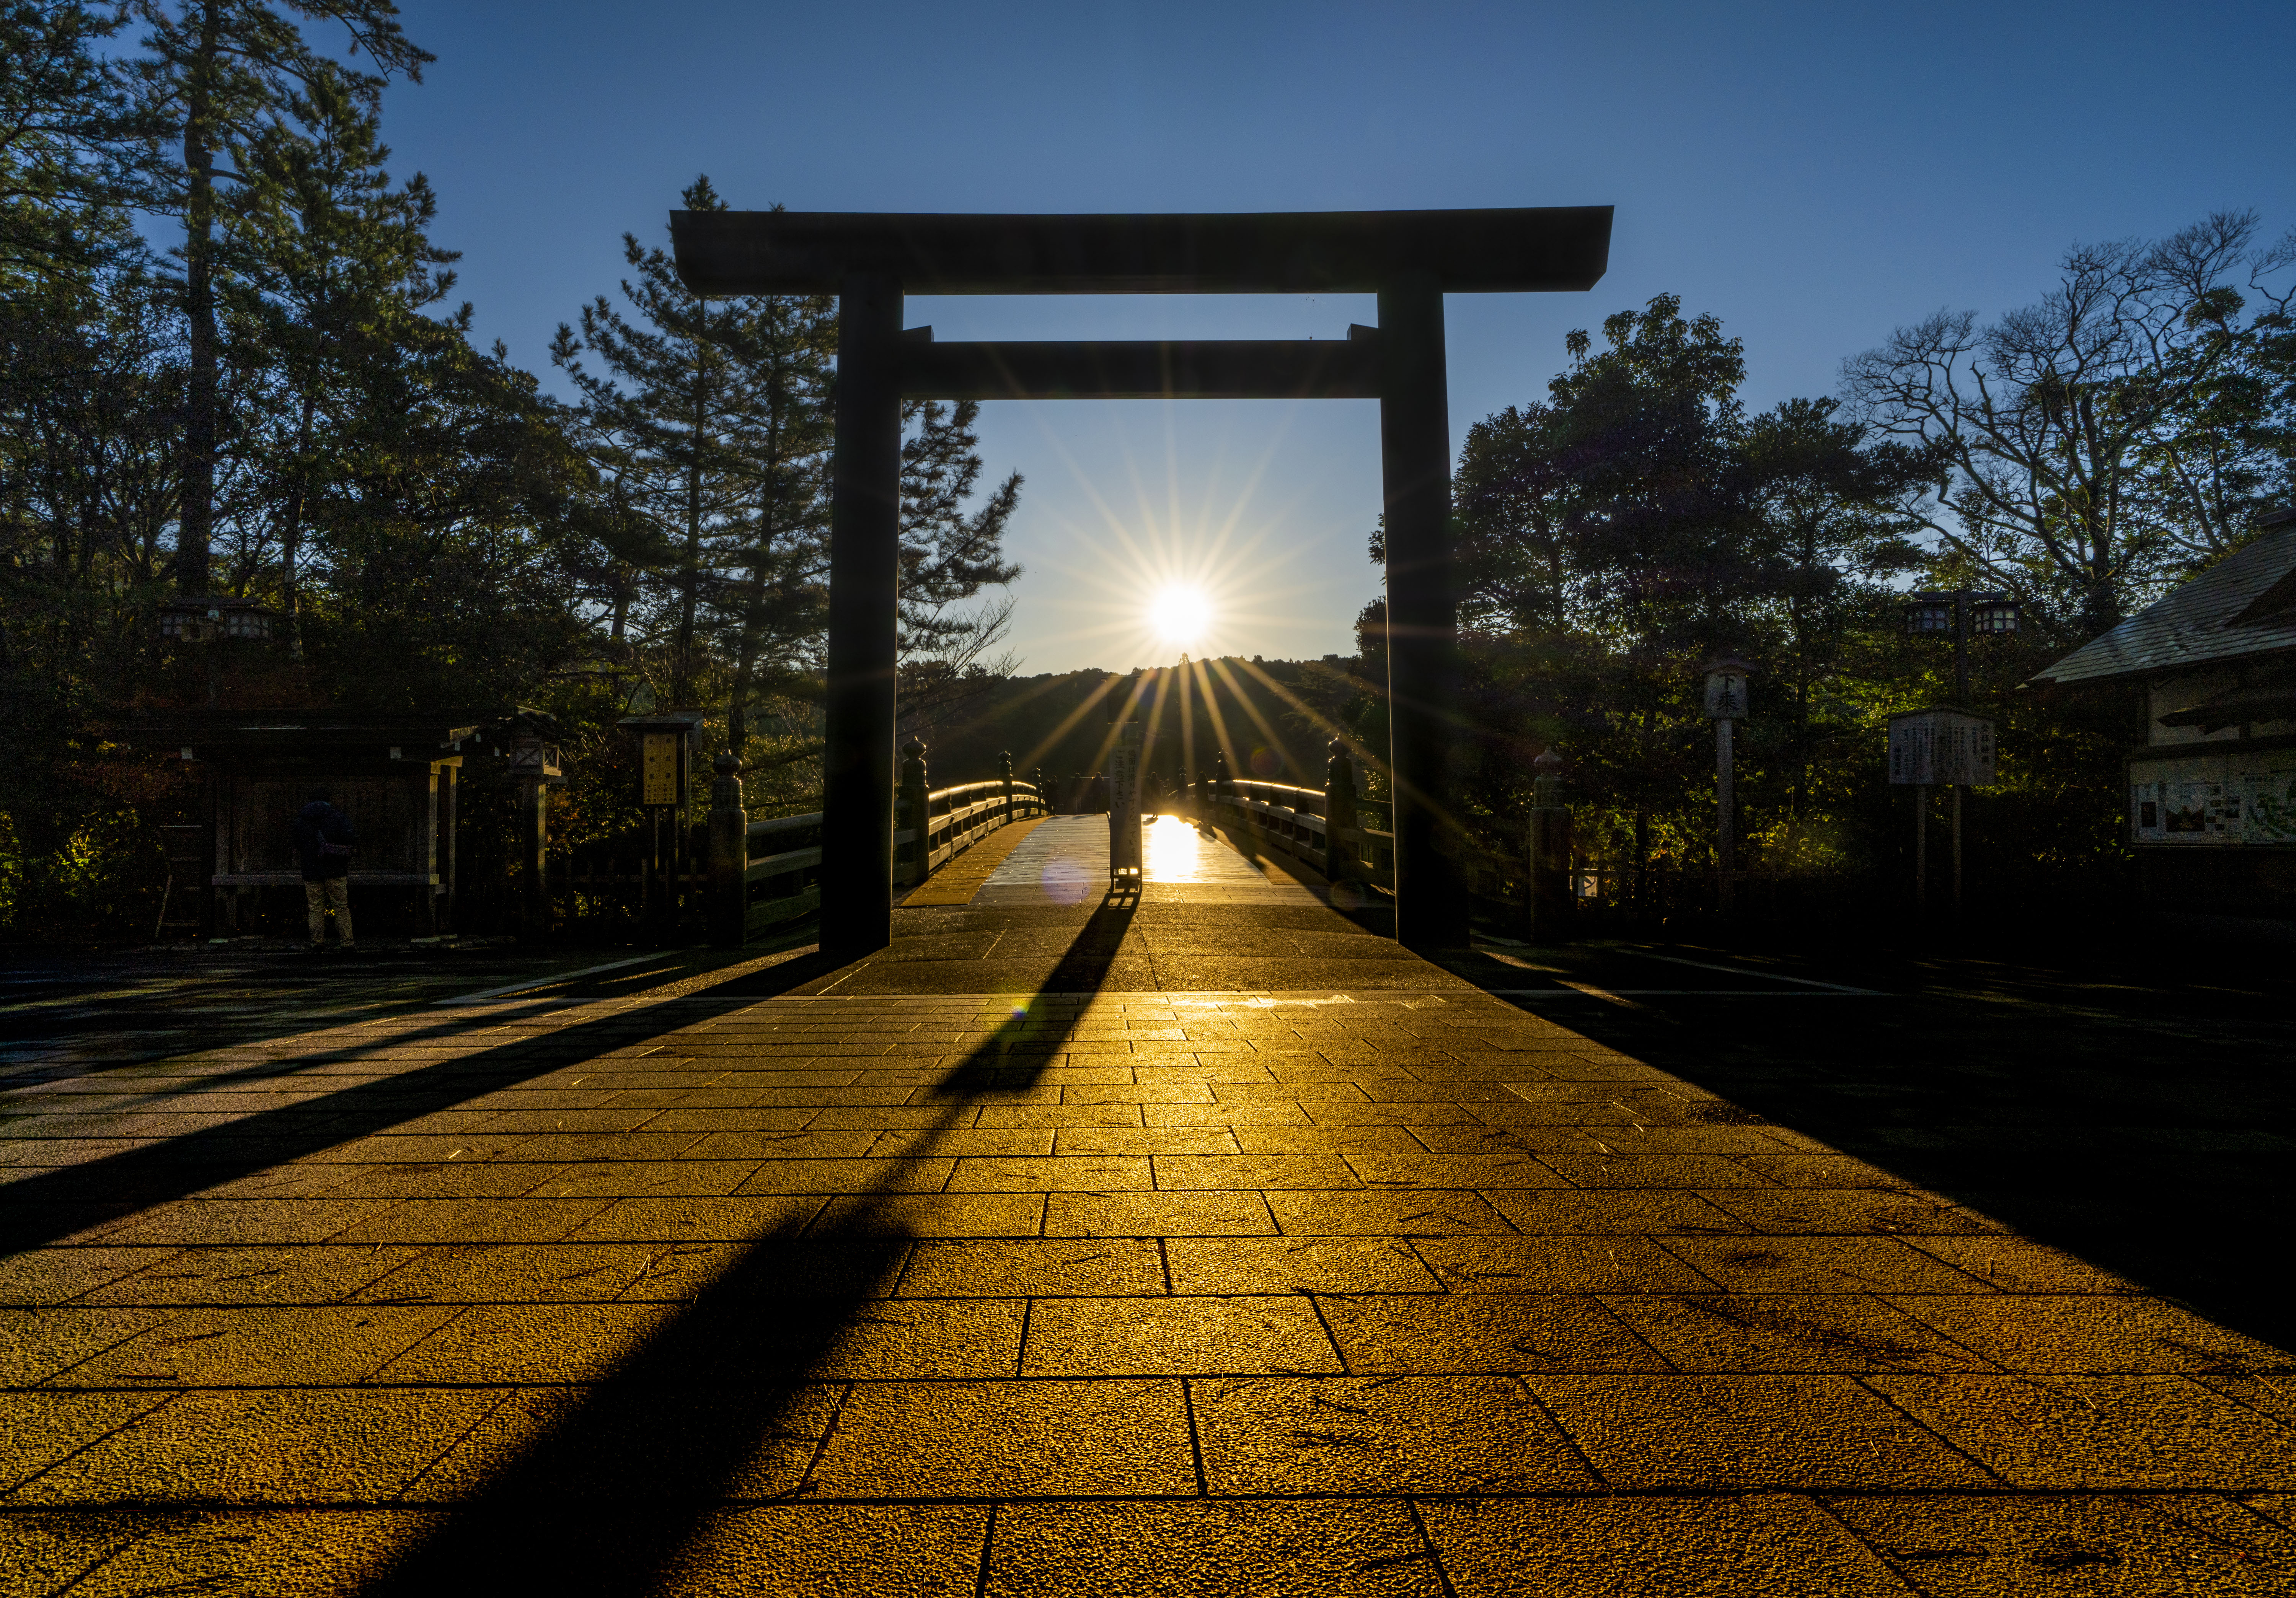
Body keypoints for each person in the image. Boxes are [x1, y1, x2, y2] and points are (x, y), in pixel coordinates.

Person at [291, 786, 357, 951]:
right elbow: (350, 839)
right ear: (328, 799)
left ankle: (317, 943)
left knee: (315, 908)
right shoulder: (338, 817)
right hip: (336, 868)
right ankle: (347, 943)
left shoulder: (302, 819)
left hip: (311, 869)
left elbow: (298, 843)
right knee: (341, 907)